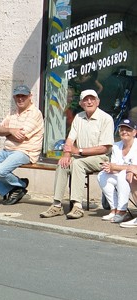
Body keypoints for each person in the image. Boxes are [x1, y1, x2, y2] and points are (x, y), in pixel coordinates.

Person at [40, 89, 114, 220]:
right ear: (81, 103)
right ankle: (56, 205)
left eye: (92, 99)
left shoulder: (106, 119)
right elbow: (70, 139)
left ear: (98, 102)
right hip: (80, 156)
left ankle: (77, 206)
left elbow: (104, 148)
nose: (89, 102)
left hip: (101, 158)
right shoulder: (79, 117)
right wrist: (67, 154)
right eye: (86, 99)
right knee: (63, 164)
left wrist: (79, 151)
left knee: (78, 164)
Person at [0, 84, 44, 205]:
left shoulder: (35, 113)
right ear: (14, 97)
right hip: (7, 150)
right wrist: (11, 131)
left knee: (0, 171)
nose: (20, 99)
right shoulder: (13, 112)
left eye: (23, 96)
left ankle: (20, 185)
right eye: (17, 96)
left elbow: (21, 138)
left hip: (25, 152)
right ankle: (14, 187)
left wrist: (6, 132)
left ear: (30, 97)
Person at [97, 119, 137, 224]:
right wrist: (109, 168)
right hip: (121, 177)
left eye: (128, 130)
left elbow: (133, 168)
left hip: (132, 178)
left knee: (123, 174)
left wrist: (115, 167)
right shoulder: (116, 146)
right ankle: (114, 209)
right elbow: (114, 165)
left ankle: (122, 211)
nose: (124, 132)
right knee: (102, 175)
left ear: (134, 132)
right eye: (122, 129)